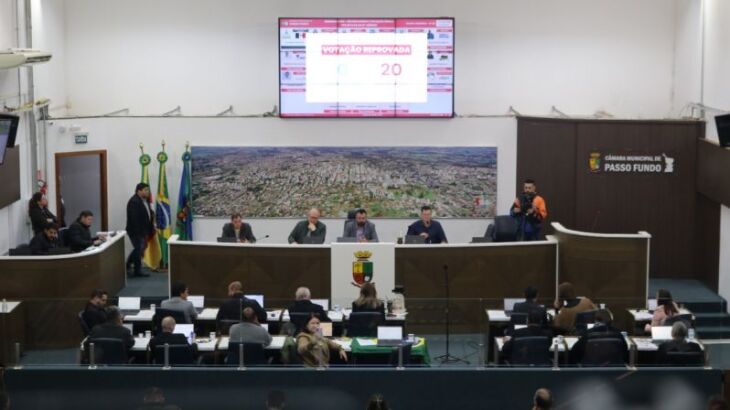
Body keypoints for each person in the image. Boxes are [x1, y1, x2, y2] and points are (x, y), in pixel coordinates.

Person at [126, 183, 155, 277]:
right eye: (145, 190)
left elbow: (148, 215)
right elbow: (133, 219)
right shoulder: (134, 201)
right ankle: (137, 271)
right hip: (136, 231)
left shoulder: (145, 200)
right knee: (138, 250)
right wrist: (138, 233)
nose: (148, 192)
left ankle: (126, 265)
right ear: (139, 191)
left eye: (148, 190)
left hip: (144, 231)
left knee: (138, 249)